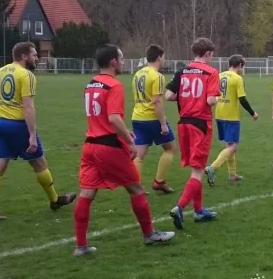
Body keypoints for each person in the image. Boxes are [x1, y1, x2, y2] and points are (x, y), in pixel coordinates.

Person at [74, 44, 175, 256]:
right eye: (120, 58)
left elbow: (102, 118)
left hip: (90, 145)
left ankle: (81, 245)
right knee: (136, 189)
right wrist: (129, 141)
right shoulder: (114, 85)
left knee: (87, 193)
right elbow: (113, 118)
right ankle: (150, 234)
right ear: (113, 61)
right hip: (108, 146)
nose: (122, 62)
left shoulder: (91, 84)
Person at [0, 42, 76, 223]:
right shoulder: (26, 75)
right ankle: (55, 200)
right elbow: (28, 106)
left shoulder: (0, 71)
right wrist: (32, 135)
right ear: (24, 56)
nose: (37, 58)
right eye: (34, 55)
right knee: (40, 163)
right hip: (17, 125)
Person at [165, 37, 220, 230]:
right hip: (200, 124)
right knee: (198, 170)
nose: (212, 58)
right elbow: (212, 100)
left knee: (195, 167)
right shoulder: (211, 72)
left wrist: (188, 97)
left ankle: (198, 211)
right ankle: (179, 207)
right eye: (212, 55)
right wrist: (216, 99)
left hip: (183, 123)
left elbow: (169, 95)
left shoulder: (182, 71)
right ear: (206, 54)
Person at [205, 55, 258, 186]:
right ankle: (213, 167)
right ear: (239, 65)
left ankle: (232, 174)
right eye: (242, 67)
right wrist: (253, 113)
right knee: (233, 147)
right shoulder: (237, 79)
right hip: (231, 115)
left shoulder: (219, 75)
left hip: (219, 113)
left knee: (229, 145)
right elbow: (242, 99)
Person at [131, 44, 176, 194]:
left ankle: (137, 187)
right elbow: (156, 101)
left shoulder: (138, 74)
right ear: (158, 57)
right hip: (152, 118)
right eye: (163, 57)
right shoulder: (157, 76)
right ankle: (159, 181)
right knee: (170, 149)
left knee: (139, 154)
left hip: (137, 117)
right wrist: (163, 124)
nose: (163, 60)